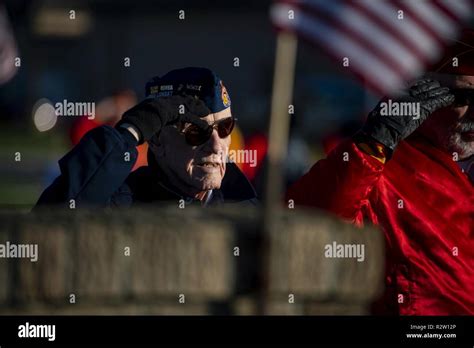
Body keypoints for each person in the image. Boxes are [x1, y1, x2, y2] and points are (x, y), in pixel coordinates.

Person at [286, 31, 474, 315]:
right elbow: (305, 228)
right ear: (420, 91)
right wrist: (374, 144)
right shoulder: (379, 168)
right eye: (463, 96)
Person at [35, 67, 257, 208]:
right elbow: (46, 233)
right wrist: (130, 131)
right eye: (196, 131)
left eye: (225, 127)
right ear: (158, 139)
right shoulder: (119, 205)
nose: (217, 146)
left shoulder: (245, 208)